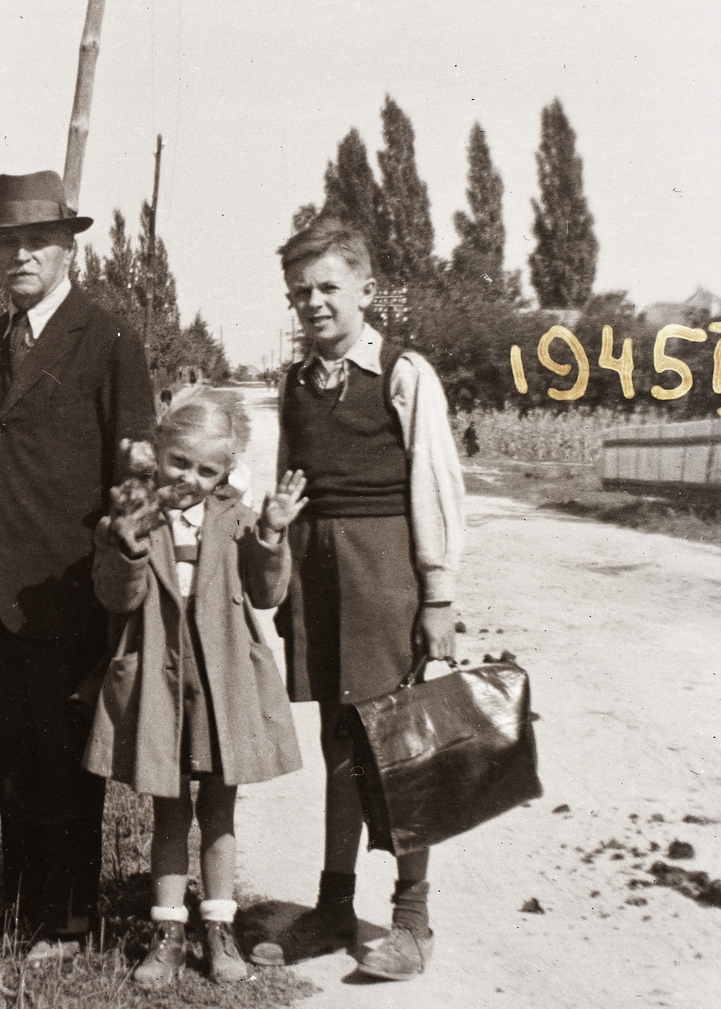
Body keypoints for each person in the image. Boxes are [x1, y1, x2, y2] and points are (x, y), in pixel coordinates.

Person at [258, 215, 464, 981]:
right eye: (299, 292)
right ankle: (334, 905)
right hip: (318, 574)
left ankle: (413, 918)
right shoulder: (294, 383)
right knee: (340, 744)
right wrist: (278, 567)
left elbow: (434, 487)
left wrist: (436, 595)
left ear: (367, 291)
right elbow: (286, 487)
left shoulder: (405, 373)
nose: (312, 303)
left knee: (400, 748)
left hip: (384, 577)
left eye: (327, 288)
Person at [0, 170, 155, 961]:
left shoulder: (106, 338)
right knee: (14, 744)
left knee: (69, 753)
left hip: (76, 585)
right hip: (2, 588)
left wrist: (124, 565)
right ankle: (23, 888)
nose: (20, 254)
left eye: (36, 240)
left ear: (69, 246)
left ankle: (69, 919)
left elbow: (135, 466)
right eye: (7, 241)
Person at [82, 392, 307, 986]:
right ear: (157, 451)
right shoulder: (130, 516)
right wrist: (127, 546)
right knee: (169, 810)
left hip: (219, 679)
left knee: (220, 810)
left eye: (209, 470)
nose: (191, 479)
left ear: (227, 470)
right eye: (179, 462)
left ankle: (220, 930)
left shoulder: (236, 517)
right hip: (160, 676)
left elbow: (266, 594)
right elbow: (116, 598)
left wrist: (272, 537)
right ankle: (167, 934)